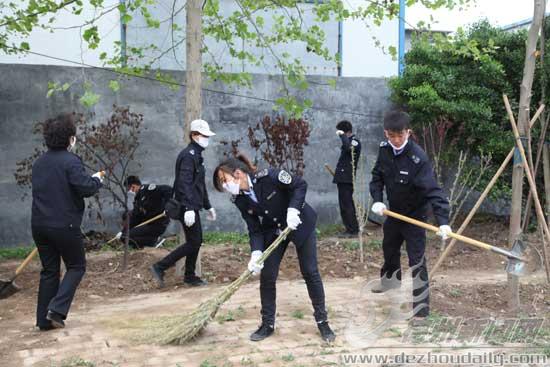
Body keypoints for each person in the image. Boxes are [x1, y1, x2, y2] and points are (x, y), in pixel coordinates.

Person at [213, 154, 336, 342]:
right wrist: (255, 253)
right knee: (268, 275)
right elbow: (254, 229)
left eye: (224, 181)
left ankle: (322, 321)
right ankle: (267, 324)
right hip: (274, 230)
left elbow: (299, 185)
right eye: (222, 185)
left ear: (237, 173)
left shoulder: (269, 176)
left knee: (310, 272)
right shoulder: (240, 199)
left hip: (299, 222)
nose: (224, 186)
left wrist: (293, 210)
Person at [369, 111, 451, 319]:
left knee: (416, 261)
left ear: (408, 133)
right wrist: (377, 199)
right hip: (393, 213)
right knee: (389, 248)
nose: (396, 141)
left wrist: (443, 222)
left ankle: (421, 309)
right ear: (386, 133)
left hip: (414, 217)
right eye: (391, 136)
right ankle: (390, 281)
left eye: (400, 136)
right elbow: (377, 177)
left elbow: (434, 191)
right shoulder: (385, 151)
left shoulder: (418, 159)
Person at [31, 113, 104, 330]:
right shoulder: (71, 161)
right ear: (70, 138)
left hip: (39, 225)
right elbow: (85, 188)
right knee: (77, 265)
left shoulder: (39, 163)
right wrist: (97, 179)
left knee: (49, 271)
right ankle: (57, 309)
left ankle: (43, 320)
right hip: (64, 225)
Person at [150, 119, 217, 287]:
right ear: (194, 135)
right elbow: (183, 183)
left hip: (192, 205)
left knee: (196, 240)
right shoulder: (188, 155)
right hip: (187, 206)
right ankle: (161, 266)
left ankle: (189, 275)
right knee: (194, 241)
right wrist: (188, 208)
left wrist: (208, 205)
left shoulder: (197, 155)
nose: (206, 139)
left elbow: (198, 184)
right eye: (204, 135)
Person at [115, 176, 172, 248]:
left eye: (128, 189)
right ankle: (151, 242)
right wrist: (123, 231)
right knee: (124, 237)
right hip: (149, 224)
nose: (129, 191)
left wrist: (168, 207)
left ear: (133, 186)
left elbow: (168, 190)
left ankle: (154, 242)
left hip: (158, 223)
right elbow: (135, 218)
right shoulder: (137, 200)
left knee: (126, 236)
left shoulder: (148, 190)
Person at [333, 120, 361, 238]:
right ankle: (348, 228)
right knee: (343, 205)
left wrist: (342, 135)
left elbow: (349, 149)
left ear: (346, 132)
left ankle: (353, 230)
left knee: (347, 204)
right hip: (342, 178)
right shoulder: (347, 141)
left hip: (347, 179)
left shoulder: (354, 142)